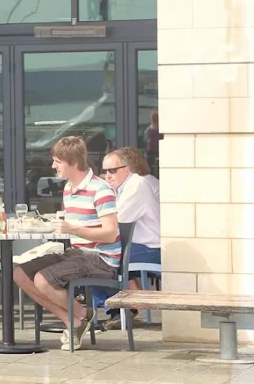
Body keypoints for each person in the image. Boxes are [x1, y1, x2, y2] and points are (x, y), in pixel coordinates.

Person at [13, 136, 121, 351]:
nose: (53, 166)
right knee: (20, 274)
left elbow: (110, 234)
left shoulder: (101, 190)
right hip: (78, 253)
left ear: (74, 162)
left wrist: (73, 229)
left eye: (58, 161)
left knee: (43, 279)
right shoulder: (69, 188)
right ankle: (74, 320)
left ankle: (82, 315)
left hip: (101, 258)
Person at [92, 148, 160, 330]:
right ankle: (124, 306)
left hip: (151, 249)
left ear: (127, 169)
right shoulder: (120, 188)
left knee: (97, 261)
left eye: (112, 170)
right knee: (90, 258)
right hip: (136, 246)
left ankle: (122, 308)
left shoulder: (136, 185)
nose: (107, 175)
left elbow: (114, 221)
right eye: (105, 171)